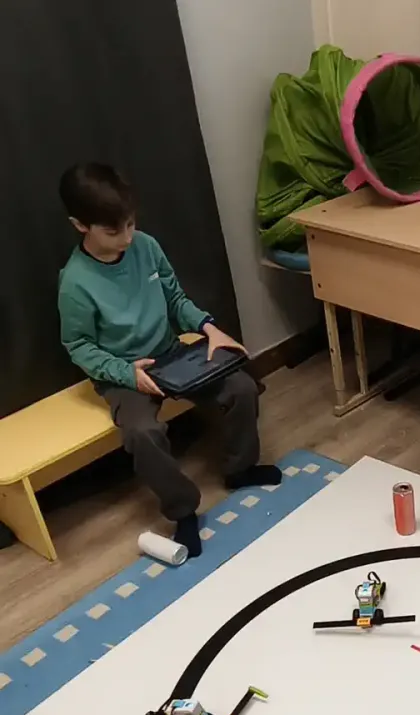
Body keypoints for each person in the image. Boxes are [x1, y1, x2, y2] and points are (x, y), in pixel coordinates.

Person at [57, 163, 281, 558]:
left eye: (130, 224)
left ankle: (240, 469)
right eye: (113, 231)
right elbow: (78, 346)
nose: (127, 237)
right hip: (124, 371)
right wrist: (125, 373)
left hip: (170, 351)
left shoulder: (145, 246)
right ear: (80, 226)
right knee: (143, 433)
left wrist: (209, 327)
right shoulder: (75, 282)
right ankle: (183, 511)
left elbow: (176, 300)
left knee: (241, 387)